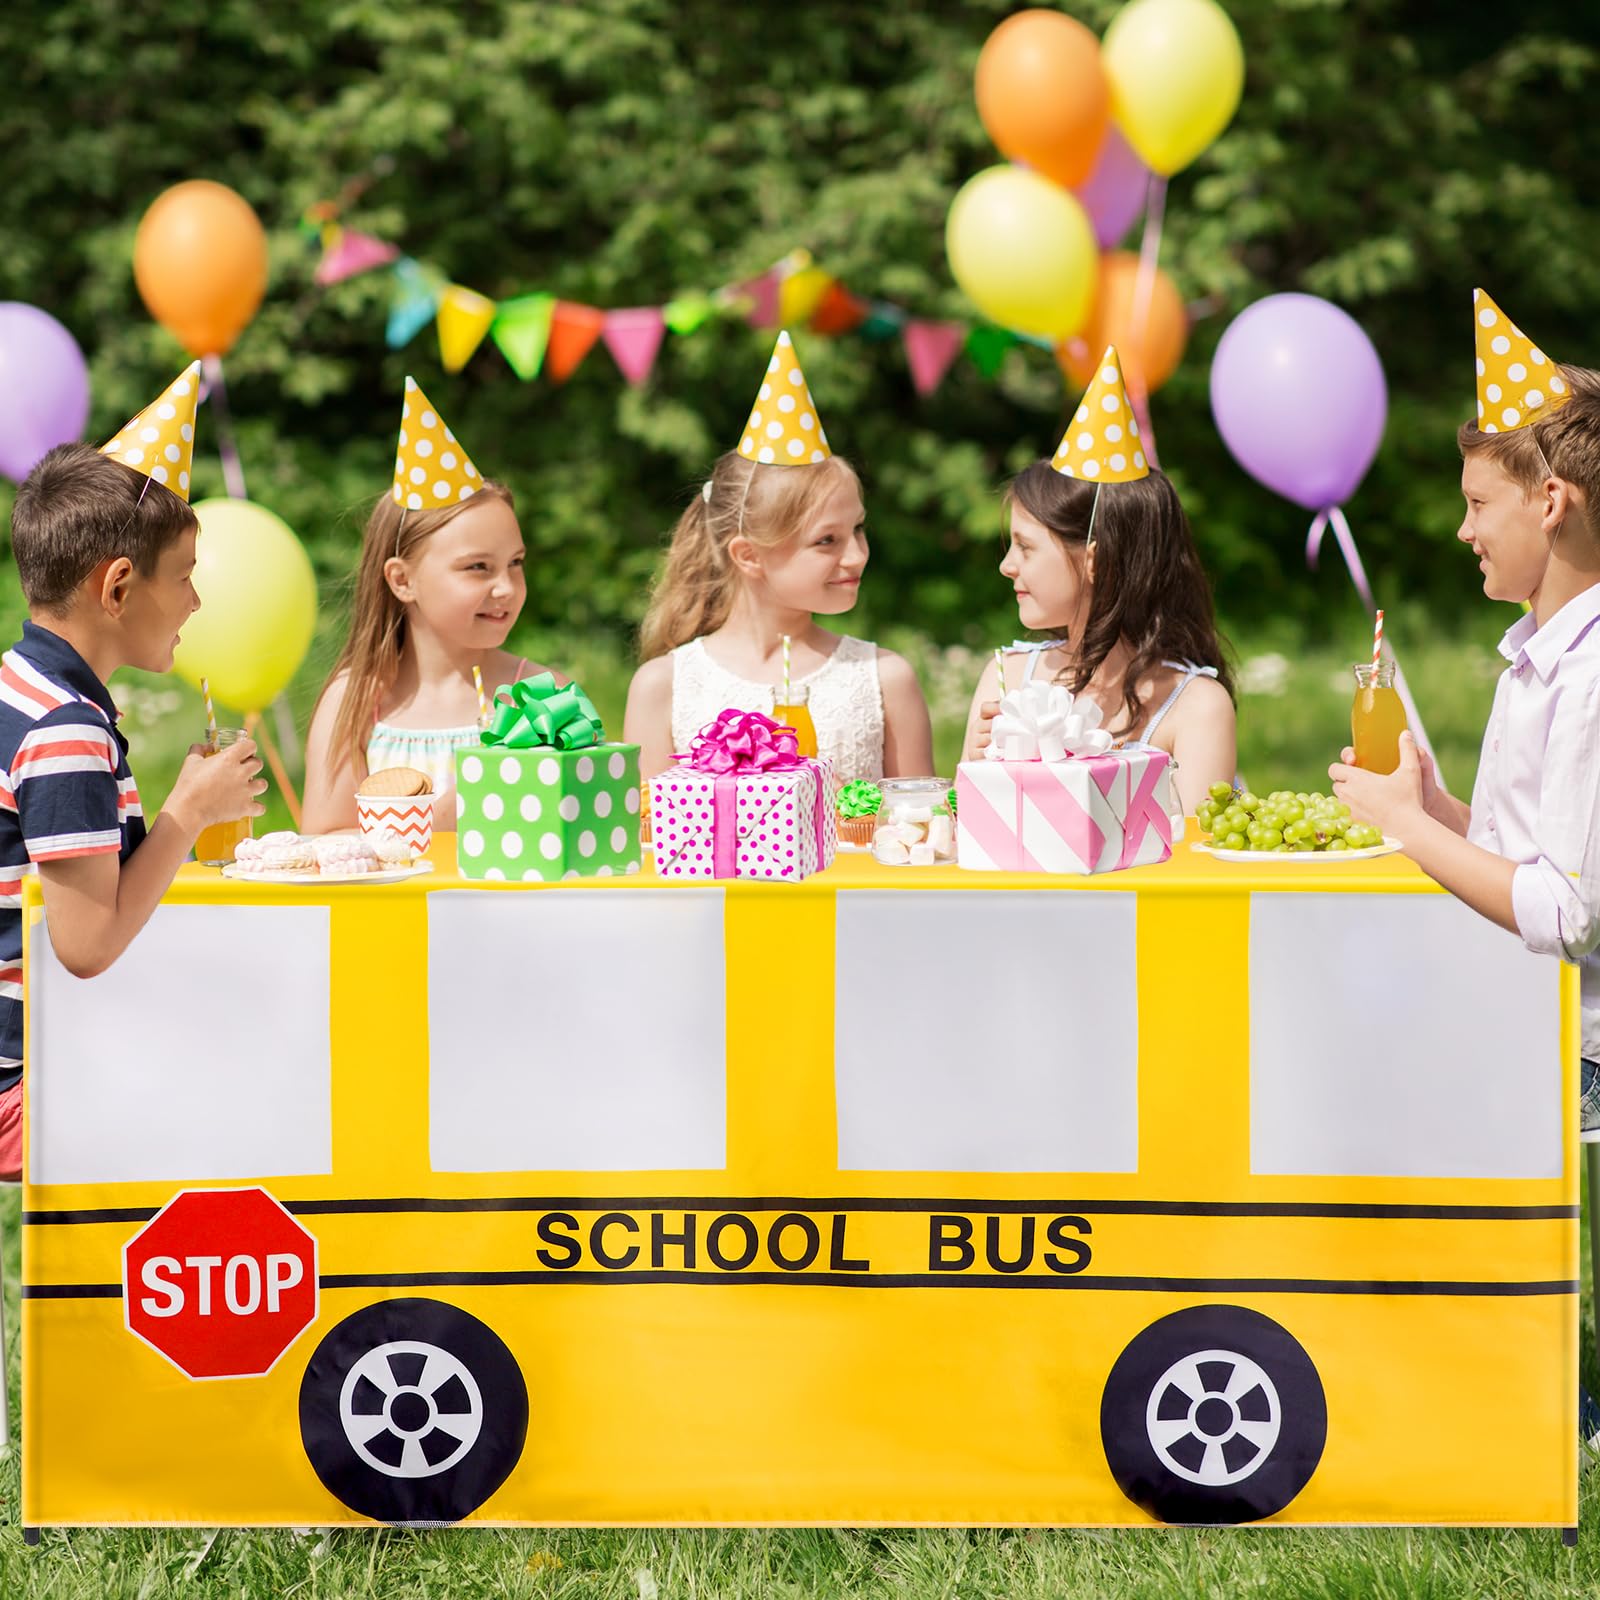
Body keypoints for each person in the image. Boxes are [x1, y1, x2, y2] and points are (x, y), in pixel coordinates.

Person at [1331, 292, 1600, 1133]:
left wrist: (1409, 829)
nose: (1462, 529)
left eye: (1479, 504)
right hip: (1527, 1019)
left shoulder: (1588, 675)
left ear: (1550, 502)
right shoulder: (1536, 653)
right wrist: (1437, 808)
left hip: (1579, 1055)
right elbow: (1520, 847)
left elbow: (1565, 912)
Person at [0, 366, 266, 1179]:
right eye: (184, 578)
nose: (195, 604)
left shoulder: (23, 680)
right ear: (118, 587)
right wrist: (187, 816)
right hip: (23, 1086)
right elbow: (85, 946)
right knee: (251, 1088)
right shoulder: (65, 728)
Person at [624, 331, 933, 783]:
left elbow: (917, 830)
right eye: (827, 541)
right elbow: (649, 840)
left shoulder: (885, 679)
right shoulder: (663, 686)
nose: (857, 555)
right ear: (749, 556)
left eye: (858, 530)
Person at [961, 347, 1235, 816]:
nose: (1007, 566)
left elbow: (1196, 866)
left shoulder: (1194, 707)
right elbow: (968, 830)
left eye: (1026, 547)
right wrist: (979, 766)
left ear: (1096, 560)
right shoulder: (1005, 679)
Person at [303, 378, 564, 831]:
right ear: (402, 580)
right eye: (478, 567)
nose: (506, 587)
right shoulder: (357, 700)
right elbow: (326, 841)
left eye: (515, 563)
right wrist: (453, 810)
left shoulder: (543, 695)